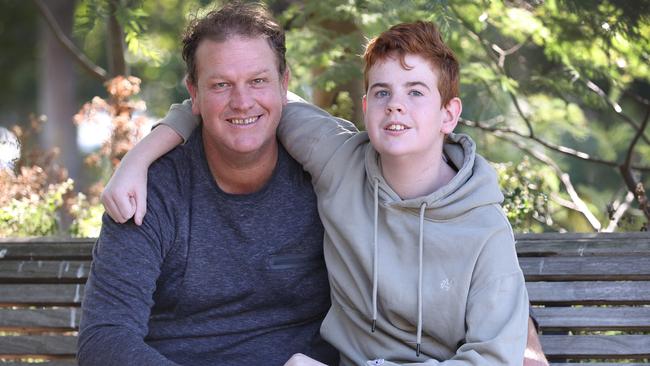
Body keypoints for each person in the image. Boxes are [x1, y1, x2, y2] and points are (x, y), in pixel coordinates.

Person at [100, 12, 550, 366]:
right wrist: (141, 155)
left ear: (449, 115)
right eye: (382, 93)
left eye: (416, 92)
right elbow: (106, 340)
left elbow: (495, 345)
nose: (396, 105)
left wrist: (523, 332)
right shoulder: (338, 161)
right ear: (365, 104)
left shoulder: (481, 224)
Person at [77, 3, 338, 365]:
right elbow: (104, 338)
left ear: (284, 85)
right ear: (194, 93)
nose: (243, 101)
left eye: (258, 81)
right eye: (221, 85)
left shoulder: (327, 177)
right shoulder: (152, 192)